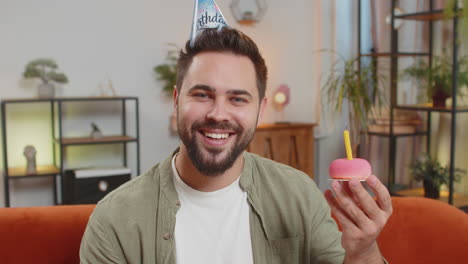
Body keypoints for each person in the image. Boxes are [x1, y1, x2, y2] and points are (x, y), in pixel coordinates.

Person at [80, 27, 392, 264]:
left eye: (238, 99)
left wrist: (364, 250)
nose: (218, 114)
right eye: (202, 94)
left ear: (261, 108)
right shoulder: (114, 220)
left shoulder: (299, 193)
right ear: (177, 101)